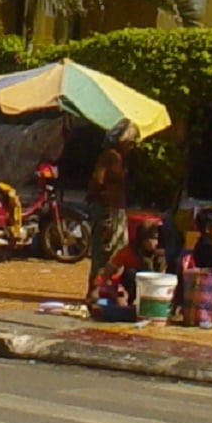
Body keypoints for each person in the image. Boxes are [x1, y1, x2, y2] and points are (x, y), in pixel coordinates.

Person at [87, 119, 140, 295]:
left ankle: (105, 288)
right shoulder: (110, 156)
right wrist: (106, 198)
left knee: (114, 252)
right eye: (130, 143)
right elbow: (97, 179)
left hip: (113, 209)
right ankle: (96, 291)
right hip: (108, 211)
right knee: (106, 252)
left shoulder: (117, 158)